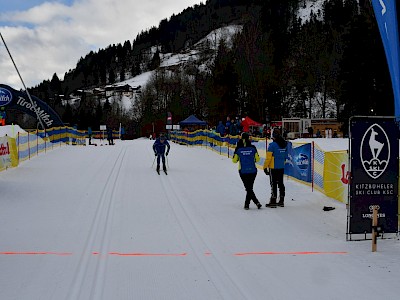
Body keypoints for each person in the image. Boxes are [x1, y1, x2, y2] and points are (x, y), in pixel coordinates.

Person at [232, 132, 262, 210]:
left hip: (243, 171)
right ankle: (250, 204)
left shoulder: (238, 148)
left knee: (248, 188)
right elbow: (258, 159)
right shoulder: (253, 148)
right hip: (253, 170)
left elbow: (234, 161)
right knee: (249, 188)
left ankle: (253, 203)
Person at [264, 128, 288, 207]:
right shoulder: (284, 144)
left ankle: (273, 200)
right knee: (281, 183)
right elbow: (286, 156)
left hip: (273, 167)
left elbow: (268, 158)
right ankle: (281, 200)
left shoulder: (272, 145)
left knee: (273, 183)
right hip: (281, 166)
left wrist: (265, 167)